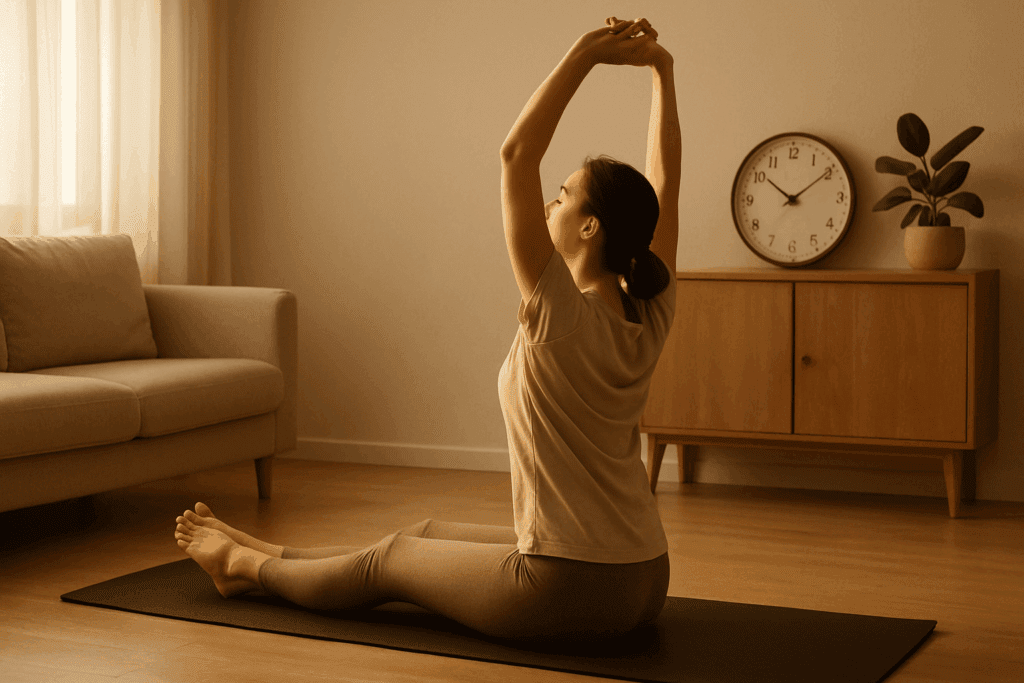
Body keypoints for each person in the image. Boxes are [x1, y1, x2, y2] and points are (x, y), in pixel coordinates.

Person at [174, 15, 681, 644]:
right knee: (422, 536)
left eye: (565, 195)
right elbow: (666, 189)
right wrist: (662, 72)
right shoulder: (649, 308)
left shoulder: (558, 310)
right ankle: (271, 551)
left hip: (570, 589)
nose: (551, 202)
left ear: (590, 228)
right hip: (644, 576)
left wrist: (584, 54)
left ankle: (242, 568)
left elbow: (516, 154)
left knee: (390, 562)